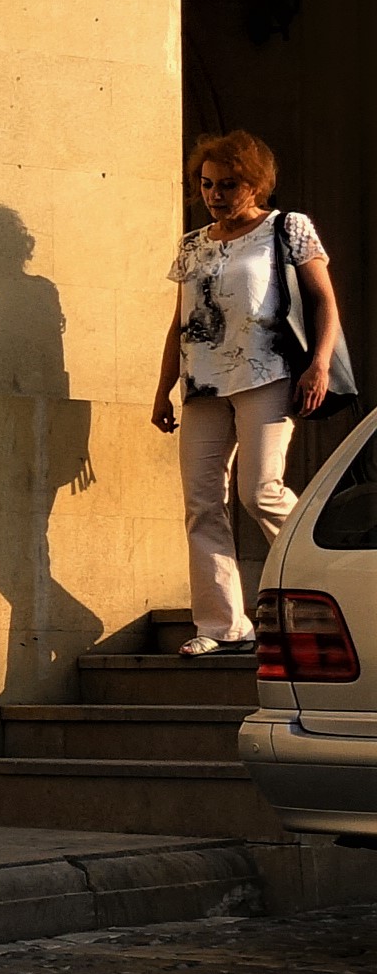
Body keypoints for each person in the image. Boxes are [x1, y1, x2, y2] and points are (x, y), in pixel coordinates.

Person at [152, 130, 347, 655]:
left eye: (228, 183)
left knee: (259, 491)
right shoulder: (192, 244)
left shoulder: (288, 228)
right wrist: (161, 390)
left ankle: (331, 575)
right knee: (202, 504)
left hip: (267, 374)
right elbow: (180, 323)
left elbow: (324, 303)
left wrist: (320, 365)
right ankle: (221, 624)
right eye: (207, 183)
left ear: (255, 183)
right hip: (202, 386)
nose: (215, 193)